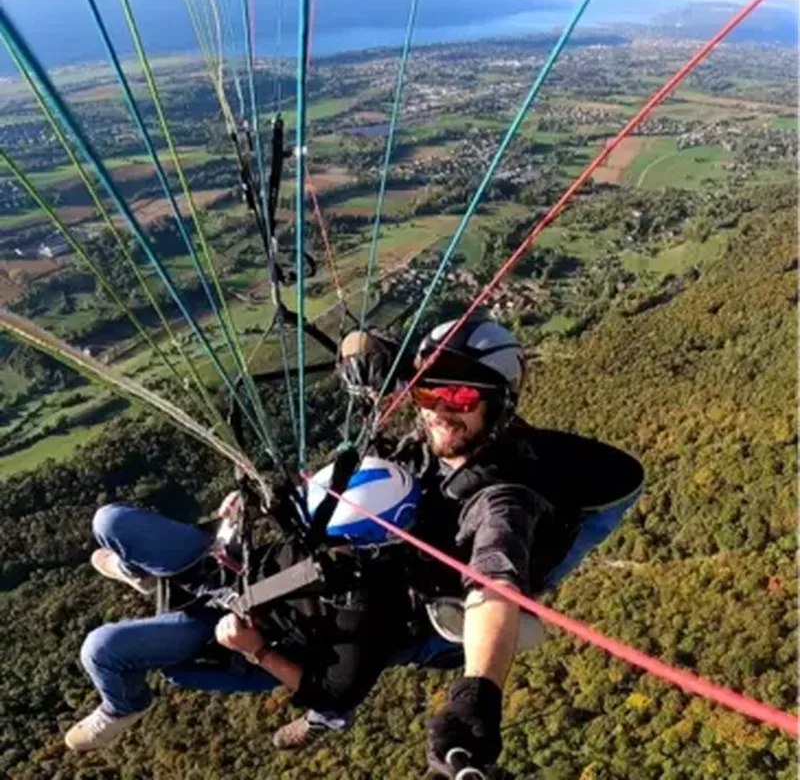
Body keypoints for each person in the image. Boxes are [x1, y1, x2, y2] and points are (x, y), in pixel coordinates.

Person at [66, 316, 642, 778]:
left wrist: (479, 693)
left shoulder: (500, 501)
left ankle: (124, 705)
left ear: (498, 401)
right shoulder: (424, 449)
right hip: (247, 566)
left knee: (105, 650)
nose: (440, 407)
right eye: (428, 391)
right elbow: (365, 371)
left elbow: (494, 586)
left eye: (461, 395)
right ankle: (154, 575)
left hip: (268, 623)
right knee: (109, 521)